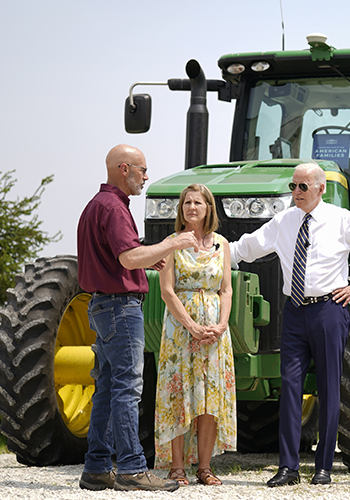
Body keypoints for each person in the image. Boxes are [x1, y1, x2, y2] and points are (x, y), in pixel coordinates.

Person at [230, 162, 350, 487]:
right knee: (290, 388)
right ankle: (288, 467)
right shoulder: (283, 222)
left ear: (321, 189)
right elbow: (245, 248)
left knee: (329, 387)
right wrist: (210, 251)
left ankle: (324, 467)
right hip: (294, 312)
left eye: (303, 187)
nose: (296, 193)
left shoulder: (341, 220)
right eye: (293, 186)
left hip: (329, 311)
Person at [77, 144, 199, 492]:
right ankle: (131, 468)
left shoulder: (94, 206)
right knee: (127, 390)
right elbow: (129, 259)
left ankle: (97, 467)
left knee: (106, 388)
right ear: (124, 168)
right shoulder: (115, 208)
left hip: (100, 306)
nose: (146, 177)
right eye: (142, 170)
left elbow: (119, 257)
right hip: (120, 308)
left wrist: (151, 256)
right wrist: (172, 245)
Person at [154, 183, 237, 486]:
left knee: (210, 397)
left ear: (208, 209)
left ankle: (205, 467)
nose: (191, 207)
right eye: (187, 203)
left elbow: (226, 289)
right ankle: (177, 467)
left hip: (215, 330)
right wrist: (191, 325)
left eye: (197, 203)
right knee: (179, 394)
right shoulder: (171, 242)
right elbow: (166, 291)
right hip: (180, 329)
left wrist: (222, 324)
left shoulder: (222, 245)